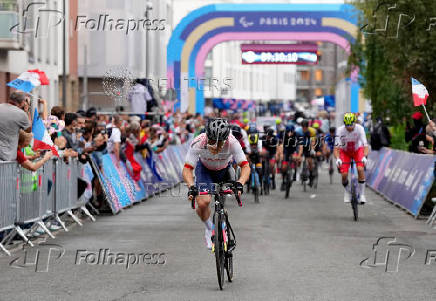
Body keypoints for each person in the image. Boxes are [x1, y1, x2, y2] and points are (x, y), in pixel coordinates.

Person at [182, 118, 250, 250]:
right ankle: (209, 228)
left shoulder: (233, 142)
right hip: (205, 170)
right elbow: (187, 169)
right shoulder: (198, 142)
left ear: (225, 139)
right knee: (203, 202)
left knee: (231, 192)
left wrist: (240, 183)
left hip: (225, 170)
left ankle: (223, 224)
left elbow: (245, 166)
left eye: (218, 142)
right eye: (211, 140)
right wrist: (191, 187)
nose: (214, 145)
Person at [334, 113, 369, 204]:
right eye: (347, 126)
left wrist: (364, 157)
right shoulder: (340, 130)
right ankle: (347, 191)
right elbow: (337, 147)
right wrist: (337, 158)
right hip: (345, 152)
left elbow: (365, 145)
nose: (349, 128)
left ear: (355, 123)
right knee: (344, 174)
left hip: (357, 150)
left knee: (360, 169)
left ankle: (362, 194)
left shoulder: (360, 128)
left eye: (351, 125)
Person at [0, 92, 32, 161]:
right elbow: (29, 130)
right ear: (23, 102)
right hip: (7, 156)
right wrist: (27, 111)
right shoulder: (21, 114)